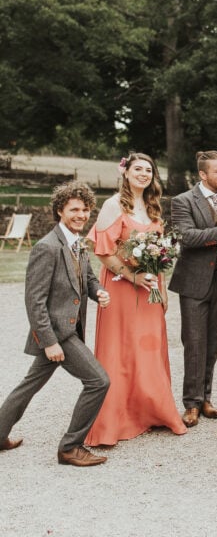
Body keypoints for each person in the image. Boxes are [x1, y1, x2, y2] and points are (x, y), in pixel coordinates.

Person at [0, 181, 111, 466]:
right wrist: (49, 341)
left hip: (67, 330)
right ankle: (70, 447)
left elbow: (86, 277)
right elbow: (34, 301)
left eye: (86, 209)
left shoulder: (77, 242)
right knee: (99, 381)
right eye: (74, 209)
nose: (81, 214)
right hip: (58, 334)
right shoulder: (46, 247)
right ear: (60, 210)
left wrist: (97, 291)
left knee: (29, 385)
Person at [85, 154, 186, 446]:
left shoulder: (153, 208)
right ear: (126, 172)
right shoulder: (113, 205)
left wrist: (162, 289)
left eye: (148, 170)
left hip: (150, 289)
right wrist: (133, 276)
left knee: (149, 347)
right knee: (121, 348)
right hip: (122, 287)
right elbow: (103, 253)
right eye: (138, 169)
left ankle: (153, 411)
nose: (143, 174)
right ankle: (117, 418)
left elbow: (159, 254)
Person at [169, 150, 217, 427]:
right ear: (203, 174)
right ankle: (191, 403)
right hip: (193, 283)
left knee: (213, 344)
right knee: (194, 344)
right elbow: (186, 237)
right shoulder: (183, 201)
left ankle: (206, 398)